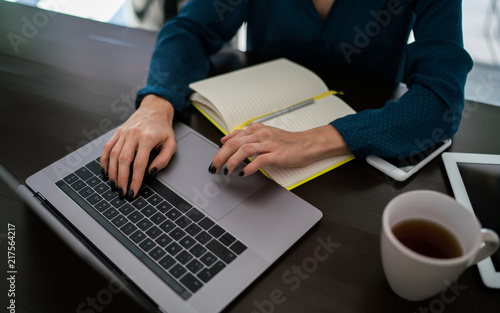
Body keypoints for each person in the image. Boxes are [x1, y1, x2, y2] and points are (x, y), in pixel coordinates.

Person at [100, 0, 472, 200]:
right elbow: (191, 28)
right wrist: (155, 105)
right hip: (259, 162)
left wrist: (314, 139)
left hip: (355, 172)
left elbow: (441, 98)